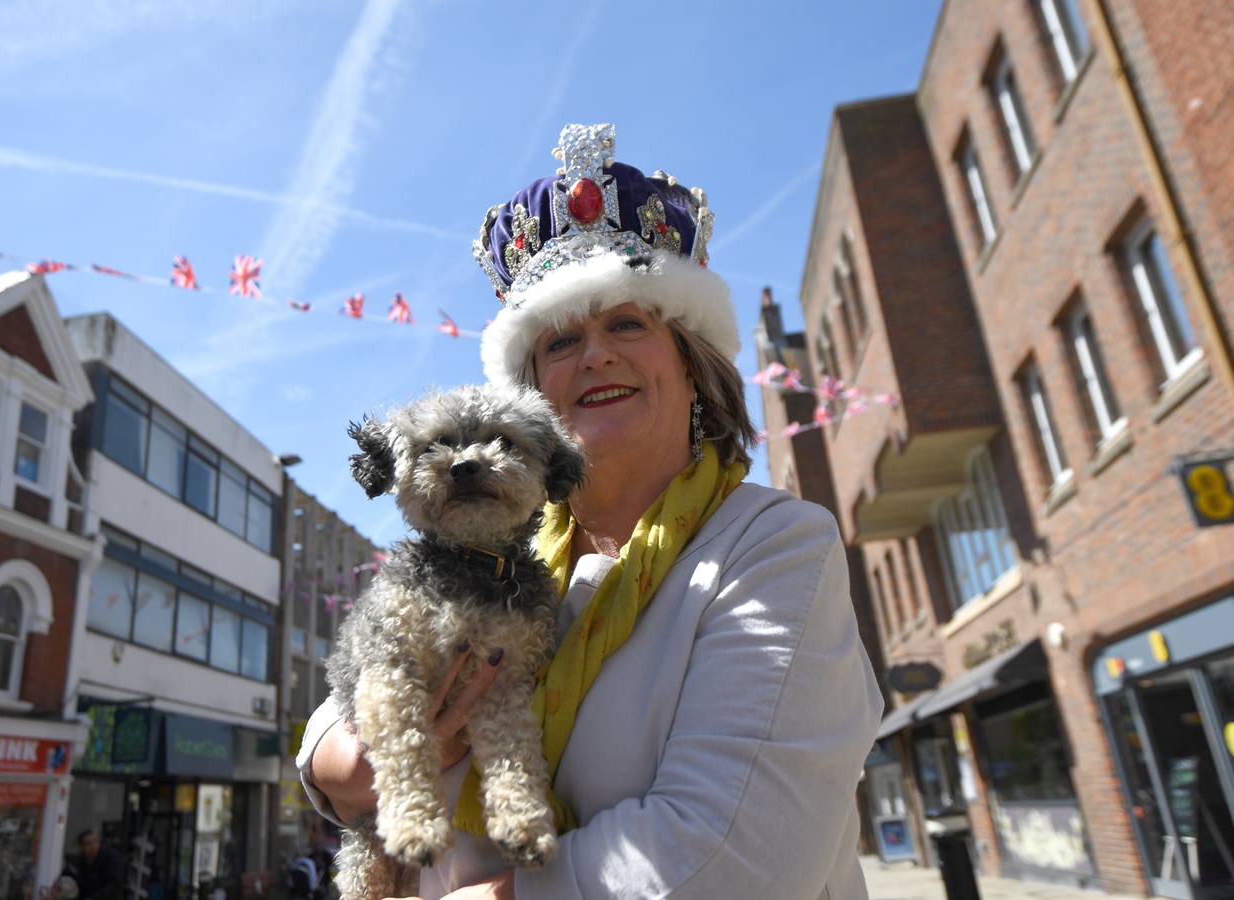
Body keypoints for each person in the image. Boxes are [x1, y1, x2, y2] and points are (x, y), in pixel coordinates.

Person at [297, 122, 884, 899]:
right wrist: (336, 758)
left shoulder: (774, 548)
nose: (595, 354)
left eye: (627, 324)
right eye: (561, 340)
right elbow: (353, 696)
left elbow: (731, 861)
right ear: (533, 389)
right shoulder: (501, 558)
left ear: (689, 360)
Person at [67, 828, 126, 900]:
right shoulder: (79, 862)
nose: (93, 846)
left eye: (95, 841)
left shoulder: (111, 858)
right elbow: (69, 879)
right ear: (82, 847)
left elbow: (114, 885)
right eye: (88, 843)